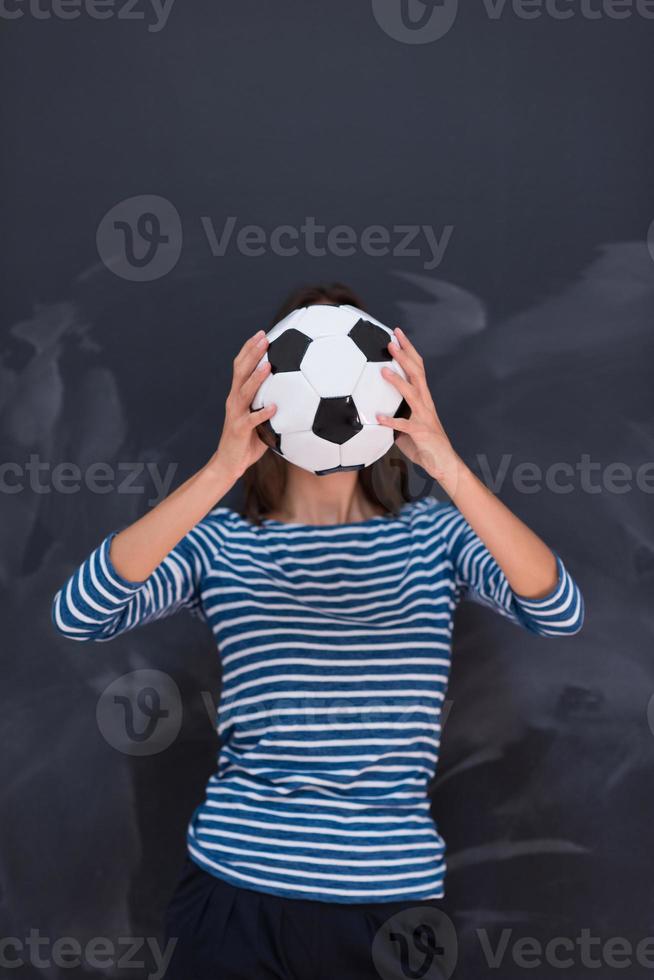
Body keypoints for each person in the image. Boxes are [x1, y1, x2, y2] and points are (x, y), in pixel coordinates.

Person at [52, 282, 584, 980]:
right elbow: (80, 614)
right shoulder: (222, 543)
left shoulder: (435, 537)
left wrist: (445, 463)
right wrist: (221, 469)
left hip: (392, 912)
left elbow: (558, 609)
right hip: (237, 896)